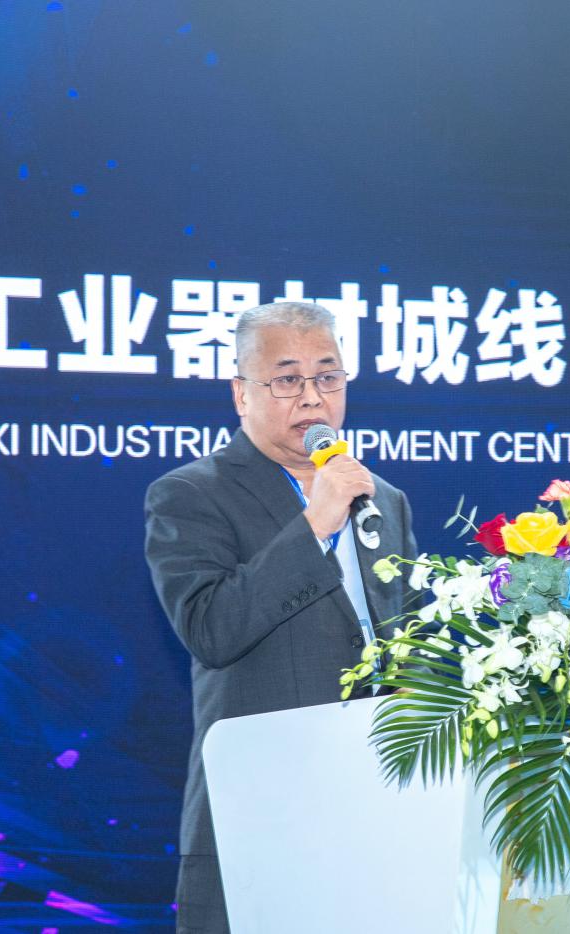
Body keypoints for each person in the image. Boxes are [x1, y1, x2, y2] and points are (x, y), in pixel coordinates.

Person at [144, 301, 418, 933]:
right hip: (259, 814)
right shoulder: (190, 493)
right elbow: (212, 629)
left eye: (328, 376)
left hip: (379, 819)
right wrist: (314, 523)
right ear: (241, 393)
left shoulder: (384, 499)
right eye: (288, 379)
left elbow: (409, 643)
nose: (312, 397)